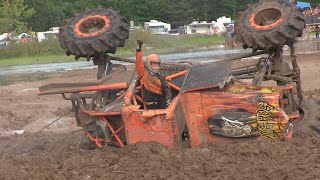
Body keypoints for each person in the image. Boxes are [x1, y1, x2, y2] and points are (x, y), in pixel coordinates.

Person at [135, 40, 172, 109]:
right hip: (151, 105)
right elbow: (139, 63)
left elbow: (167, 89)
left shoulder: (161, 77)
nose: (156, 65)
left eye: (157, 63)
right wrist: (138, 49)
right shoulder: (143, 74)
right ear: (149, 63)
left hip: (161, 103)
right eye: (154, 63)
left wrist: (169, 100)